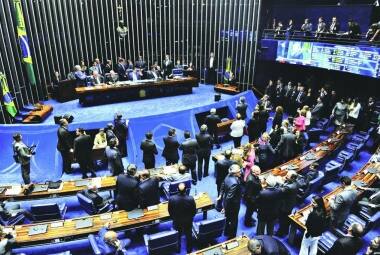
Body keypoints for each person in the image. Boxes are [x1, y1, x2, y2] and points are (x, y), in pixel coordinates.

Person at [168, 183, 196, 253]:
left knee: (178, 235)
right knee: (188, 235)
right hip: (188, 221)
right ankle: (189, 250)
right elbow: (194, 211)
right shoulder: (191, 199)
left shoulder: (171, 199)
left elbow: (170, 211)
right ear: (186, 190)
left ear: (177, 190)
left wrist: (173, 218)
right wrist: (190, 218)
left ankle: (178, 249)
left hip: (177, 221)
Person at [217, 164, 242, 239]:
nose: (240, 172)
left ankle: (226, 231)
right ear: (234, 173)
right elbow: (229, 198)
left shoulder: (228, 175)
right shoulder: (235, 183)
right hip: (233, 204)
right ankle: (232, 236)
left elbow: (223, 184)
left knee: (228, 218)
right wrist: (224, 208)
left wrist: (220, 195)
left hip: (226, 202)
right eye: (239, 171)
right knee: (234, 220)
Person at [277, 170, 299, 237]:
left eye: (287, 176)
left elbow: (279, 191)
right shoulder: (296, 182)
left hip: (284, 206)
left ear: (292, 178)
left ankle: (280, 233)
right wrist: (286, 180)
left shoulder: (288, 187)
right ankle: (286, 231)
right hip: (291, 203)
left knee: (282, 219)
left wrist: (281, 182)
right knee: (287, 218)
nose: (286, 176)